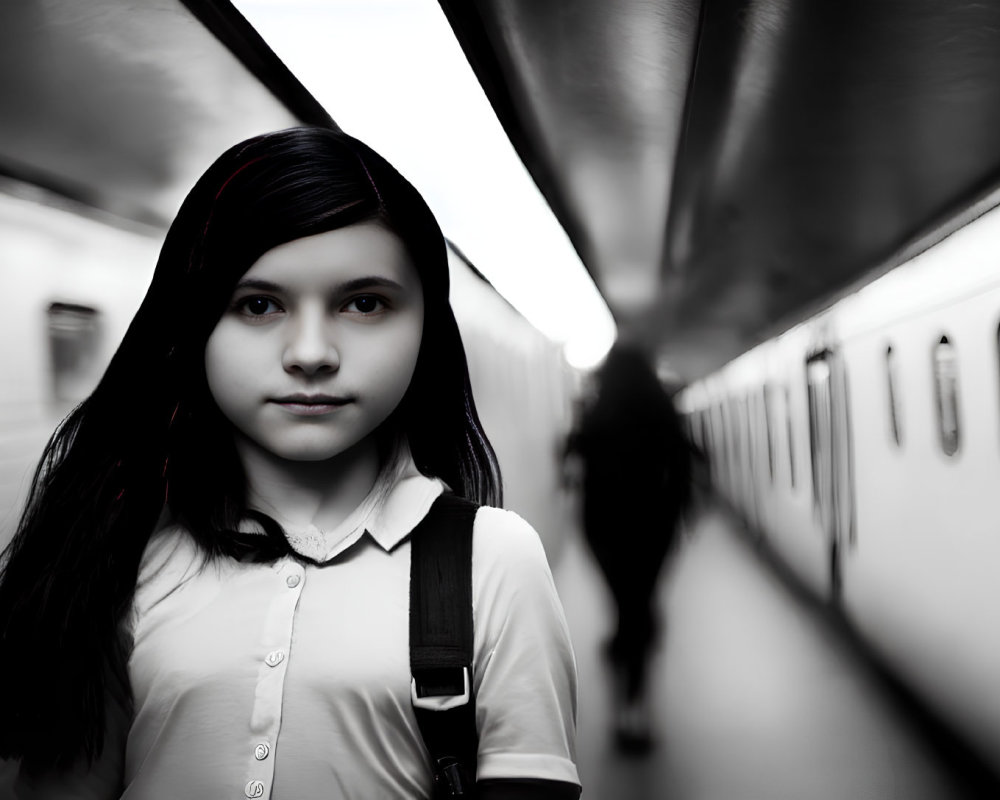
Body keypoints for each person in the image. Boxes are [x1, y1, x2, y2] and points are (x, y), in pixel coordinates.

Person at [0, 127, 580, 799]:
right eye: (258, 305)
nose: (311, 353)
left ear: (428, 329)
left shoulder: (494, 560)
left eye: (365, 303)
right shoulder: (118, 548)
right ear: (194, 327)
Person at [565, 342, 692, 754]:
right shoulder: (661, 410)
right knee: (641, 604)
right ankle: (634, 706)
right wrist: (681, 514)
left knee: (625, 605)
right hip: (653, 527)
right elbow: (683, 464)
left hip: (603, 529)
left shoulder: (596, 414)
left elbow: (569, 460)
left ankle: (626, 694)